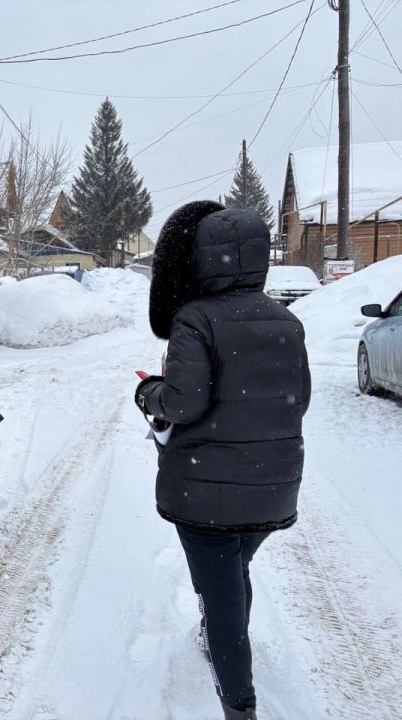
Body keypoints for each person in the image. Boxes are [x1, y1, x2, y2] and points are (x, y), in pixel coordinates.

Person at [134, 202, 311, 720]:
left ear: (200, 259)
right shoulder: (288, 320)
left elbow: (184, 402)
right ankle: (220, 637)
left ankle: (239, 704)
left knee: (221, 597)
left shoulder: (196, 319)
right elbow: (298, 398)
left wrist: (150, 393)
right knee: (233, 571)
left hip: (206, 490)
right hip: (273, 483)